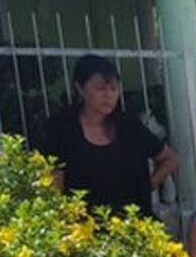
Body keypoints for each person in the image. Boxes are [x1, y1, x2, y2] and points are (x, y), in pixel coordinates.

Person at [43, 54, 179, 216]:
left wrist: (146, 187)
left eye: (114, 88)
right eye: (100, 88)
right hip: (83, 225)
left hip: (133, 222)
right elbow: (54, 181)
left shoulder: (129, 126)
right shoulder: (62, 129)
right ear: (79, 89)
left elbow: (169, 159)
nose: (108, 95)